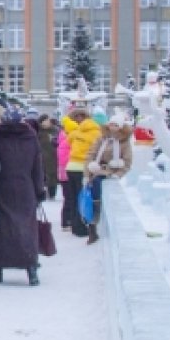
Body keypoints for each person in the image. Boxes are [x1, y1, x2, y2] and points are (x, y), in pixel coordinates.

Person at [0, 108, 47, 286]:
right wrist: (39, 190)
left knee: (0, 229)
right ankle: (31, 268)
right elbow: (37, 167)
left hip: (0, 187)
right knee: (26, 227)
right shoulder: (31, 138)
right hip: (25, 188)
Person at [84, 110, 135, 244]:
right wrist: (89, 168)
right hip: (96, 174)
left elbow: (127, 162)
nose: (112, 127)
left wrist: (117, 174)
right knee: (93, 201)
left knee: (106, 203)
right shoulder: (102, 139)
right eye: (111, 124)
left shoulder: (124, 142)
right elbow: (91, 154)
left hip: (110, 175)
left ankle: (100, 229)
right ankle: (92, 228)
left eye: (116, 125)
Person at [61, 102, 100, 238]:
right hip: (84, 167)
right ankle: (83, 226)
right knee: (83, 198)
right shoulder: (97, 132)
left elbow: (68, 142)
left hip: (71, 166)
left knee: (72, 197)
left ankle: (75, 226)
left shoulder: (75, 132)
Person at [37, 114, 60, 201]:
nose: (46, 122)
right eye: (44, 120)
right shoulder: (38, 131)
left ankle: (52, 193)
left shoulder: (55, 130)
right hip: (41, 156)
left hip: (53, 157)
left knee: (52, 175)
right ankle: (41, 192)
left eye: (48, 120)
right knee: (41, 175)